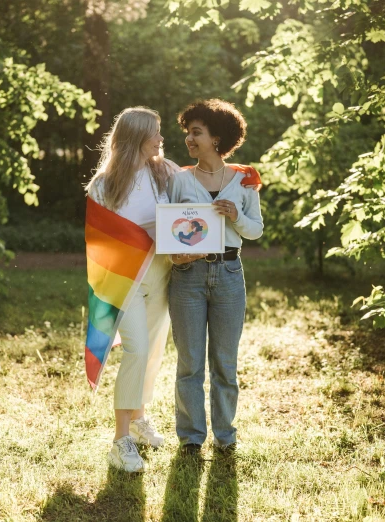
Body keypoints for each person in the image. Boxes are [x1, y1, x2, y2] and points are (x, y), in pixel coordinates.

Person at [167, 99, 264, 456]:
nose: (189, 139)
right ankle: (191, 438)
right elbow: (167, 227)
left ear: (217, 138)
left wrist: (236, 215)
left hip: (229, 274)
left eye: (196, 132)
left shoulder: (243, 180)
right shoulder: (178, 180)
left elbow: (255, 231)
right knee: (189, 363)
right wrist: (175, 252)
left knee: (225, 363)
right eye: (188, 133)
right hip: (187, 276)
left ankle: (226, 437)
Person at [85, 107, 178, 472]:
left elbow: (193, 198)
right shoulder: (103, 184)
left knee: (153, 350)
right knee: (137, 350)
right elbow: (101, 240)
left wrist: (236, 178)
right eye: (155, 133)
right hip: (125, 279)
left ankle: (139, 419)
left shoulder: (165, 173)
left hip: (162, 273)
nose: (160, 139)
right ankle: (120, 440)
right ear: (136, 137)